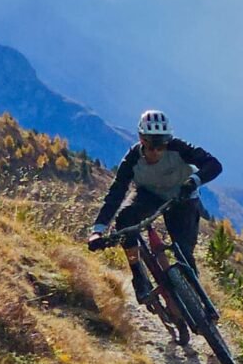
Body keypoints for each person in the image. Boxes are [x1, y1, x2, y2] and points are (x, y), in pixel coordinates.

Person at [89, 109, 223, 308]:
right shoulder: (132, 159)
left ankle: (197, 304)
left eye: (161, 145)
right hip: (149, 195)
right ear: (141, 140)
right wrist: (98, 231)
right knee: (126, 219)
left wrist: (193, 181)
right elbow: (116, 194)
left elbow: (214, 165)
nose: (156, 151)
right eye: (151, 145)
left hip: (183, 197)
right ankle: (138, 275)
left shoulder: (179, 148)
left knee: (184, 252)